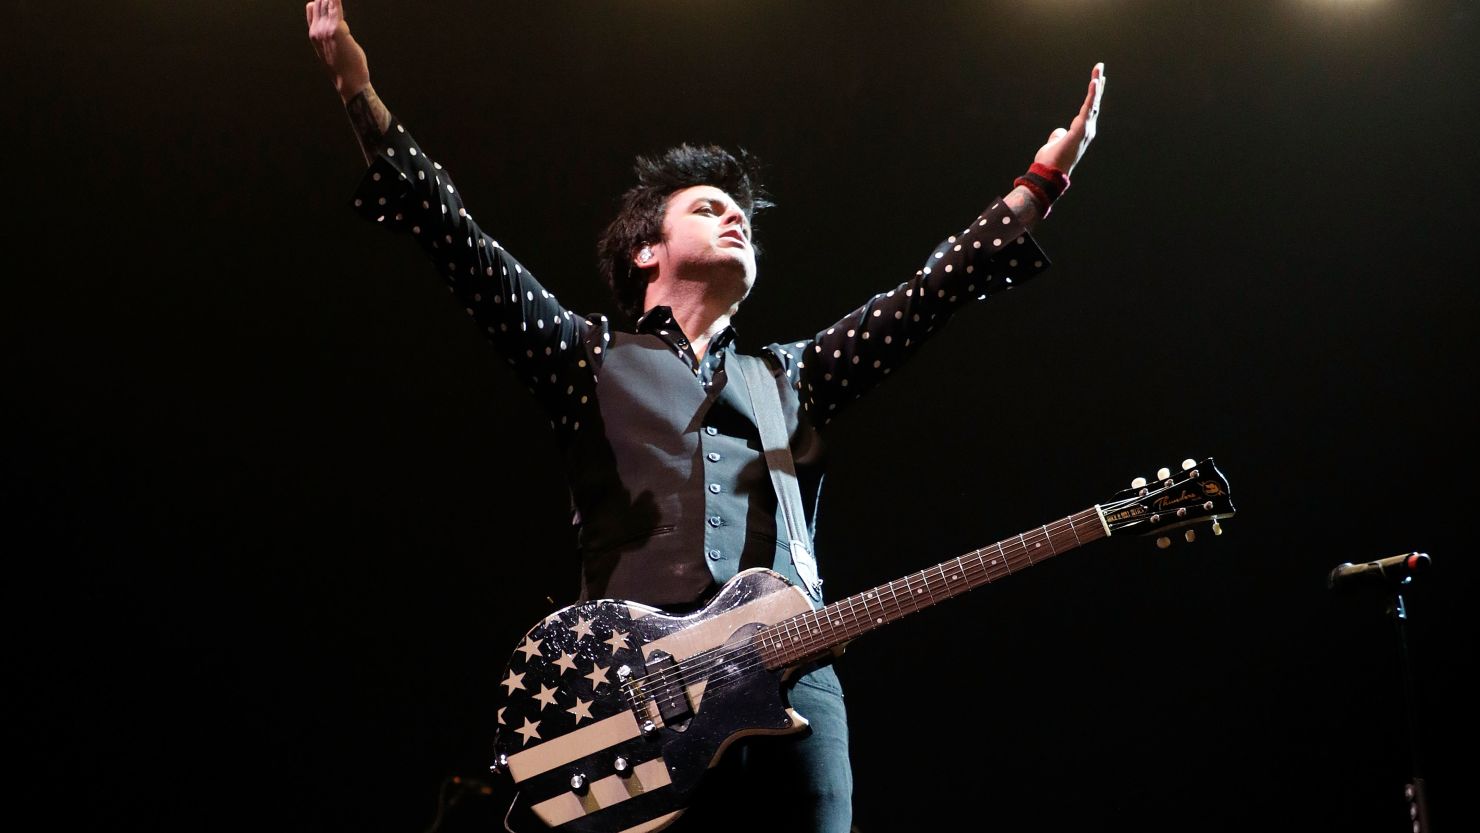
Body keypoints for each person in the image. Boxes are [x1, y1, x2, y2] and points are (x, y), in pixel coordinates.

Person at [307, 2, 1104, 831]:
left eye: (742, 214)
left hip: (796, 692)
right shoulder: (588, 357)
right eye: (706, 206)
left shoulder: (789, 376)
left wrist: (1039, 184)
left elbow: (927, 296)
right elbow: (460, 245)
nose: (734, 216)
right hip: (632, 702)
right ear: (646, 250)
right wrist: (359, 96)